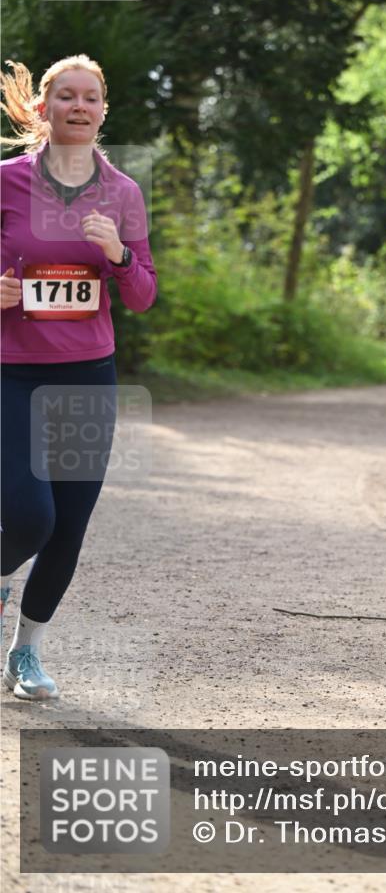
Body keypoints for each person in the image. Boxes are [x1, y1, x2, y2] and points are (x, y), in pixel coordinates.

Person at [0, 55, 157, 698]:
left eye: (90, 98)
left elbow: (144, 295)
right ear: (43, 108)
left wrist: (117, 255)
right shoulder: (6, 182)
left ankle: (26, 654)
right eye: (65, 96)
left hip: (87, 376)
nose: (79, 107)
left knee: (69, 523)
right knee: (30, 517)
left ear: (102, 111)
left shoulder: (122, 192)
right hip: (12, 374)